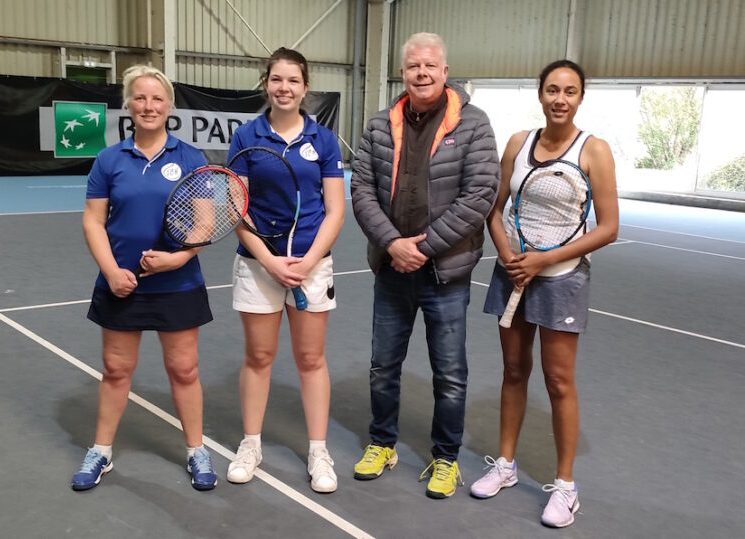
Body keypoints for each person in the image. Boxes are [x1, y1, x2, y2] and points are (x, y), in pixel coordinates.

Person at [350, 32, 500, 499]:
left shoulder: (474, 125)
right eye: (414, 65)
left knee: (450, 373)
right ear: (403, 72)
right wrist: (393, 243)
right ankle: (382, 444)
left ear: (445, 71)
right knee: (382, 367)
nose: (421, 73)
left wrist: (425, 246)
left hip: (446, 274)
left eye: (430, 65)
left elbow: (480, 194)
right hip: (392, 270)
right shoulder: (378, 125)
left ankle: (446, 458)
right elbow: (362, 191)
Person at [470, 59, 619, 527]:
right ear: (540, 94)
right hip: (513, 270)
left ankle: (566, 487)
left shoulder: (594, 151)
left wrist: (543, 260)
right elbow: (494, 210)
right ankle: (506, 466)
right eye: (552, 90)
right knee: (513, 370)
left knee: (558, 382)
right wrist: (510, 255)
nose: (560, 99)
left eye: (570, 92)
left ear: (579, 98)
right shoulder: (518, 143)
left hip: (563, 279)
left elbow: (610, 228)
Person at [71, 65, 217, 491]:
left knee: (184, 369)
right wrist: (111, 271)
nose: (149, 106)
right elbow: (94, 222)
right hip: (121, 284)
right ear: (128, 105)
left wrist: (177, 258)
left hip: (178, 283)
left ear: (169, 105)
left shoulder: (190, 158)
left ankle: (196, 450)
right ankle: (101, 451)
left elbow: (205, 225)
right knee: (116, 370)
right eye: (140, 98)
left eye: (157, 98)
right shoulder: (109, 160)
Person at [225, 47, 345, 494]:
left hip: (312, 267)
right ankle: (250, 445)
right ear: (266, 83)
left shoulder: (325, 141)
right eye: (277, 79)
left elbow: (334, 211)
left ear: (305, 87)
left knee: (311, 360)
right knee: (259, 358)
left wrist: (307, 263)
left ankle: (318, 451)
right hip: (259, 266)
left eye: (293, 80)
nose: (284, 88)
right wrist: (271, 261)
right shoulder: (246, 137)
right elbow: (236, 210)